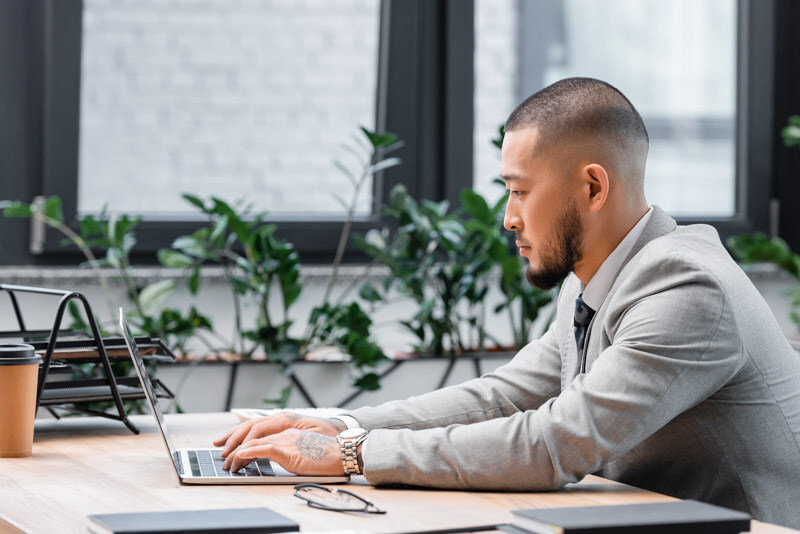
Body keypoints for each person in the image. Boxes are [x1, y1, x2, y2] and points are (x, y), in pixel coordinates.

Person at [214, 78, 800, 528]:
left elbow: (556, 443)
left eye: (520, 191)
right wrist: (334, 424)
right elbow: (502, 396)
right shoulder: (592, 279)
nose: (508, 217)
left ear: (593, 187)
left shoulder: (686, 289)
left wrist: (346, 452)